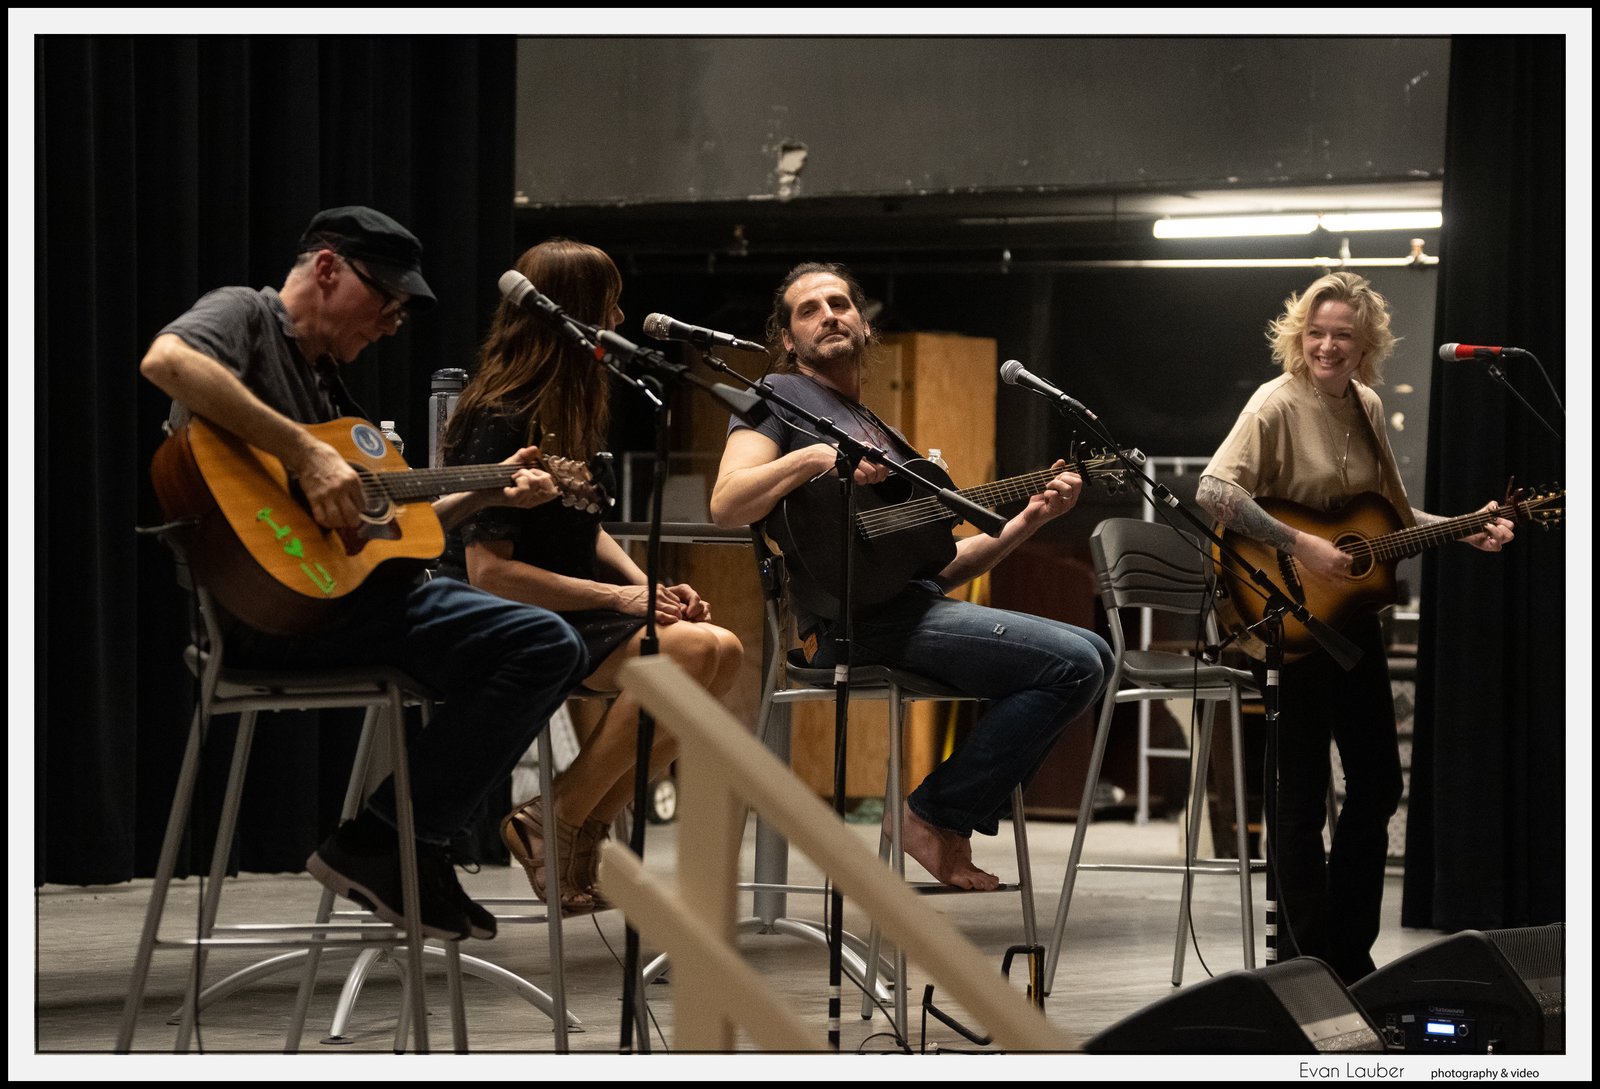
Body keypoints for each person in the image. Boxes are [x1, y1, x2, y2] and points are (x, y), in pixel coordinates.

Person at [140, 206, 591, 942]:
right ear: (327, 268)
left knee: (545, 644)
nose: (390, 324)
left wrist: (488, 492)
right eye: (385, 300)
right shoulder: (246, 315)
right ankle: (394, 840)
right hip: (275, 613)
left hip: (351, 602)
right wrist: (305, 453)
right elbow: (168, 362)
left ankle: (404, 841)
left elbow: (396, 536)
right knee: (543, 644)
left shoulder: (330, 390)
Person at [709, 261, 1112, 891]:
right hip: (854, 626)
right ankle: (932, 816)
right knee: (1075, 663)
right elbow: (727, 502)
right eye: (809, 310)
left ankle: (944, 816)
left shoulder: (880, 432)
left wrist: (1032, 517)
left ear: (865, 325)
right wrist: (816, 457)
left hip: (910, 609)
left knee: (1094, 653)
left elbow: (939, 569)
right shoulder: (778, 396)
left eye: (840, 303)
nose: (829, 315)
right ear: (787, 338)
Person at [1195, 270, 1515, 984]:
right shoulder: (1274, 402)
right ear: (1298, 336)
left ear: (1366, 344)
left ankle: (1348, 951)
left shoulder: (1366, 405)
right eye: (1316, 333)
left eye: (1342, 335)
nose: (1327, 346)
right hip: (1285, 612)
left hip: (1351, 617)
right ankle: (1302, 960)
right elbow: (1214, 489)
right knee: (1302, 790)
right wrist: (1301, 545)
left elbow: (1390, 520)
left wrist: (1463, 526)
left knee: (1377, 782)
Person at [439, 238, 743, 913]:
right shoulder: (500, 413)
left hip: (576, 607)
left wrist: (650, 589)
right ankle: (551, 817)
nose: (621, 317)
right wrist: (625, 598)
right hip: (514, 617)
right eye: (609, 304)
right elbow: (490, 574)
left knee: (721, 651)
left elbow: (587, 526)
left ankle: (583, 825)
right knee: (692, 654)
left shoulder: (571, 404)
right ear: (571, 312)